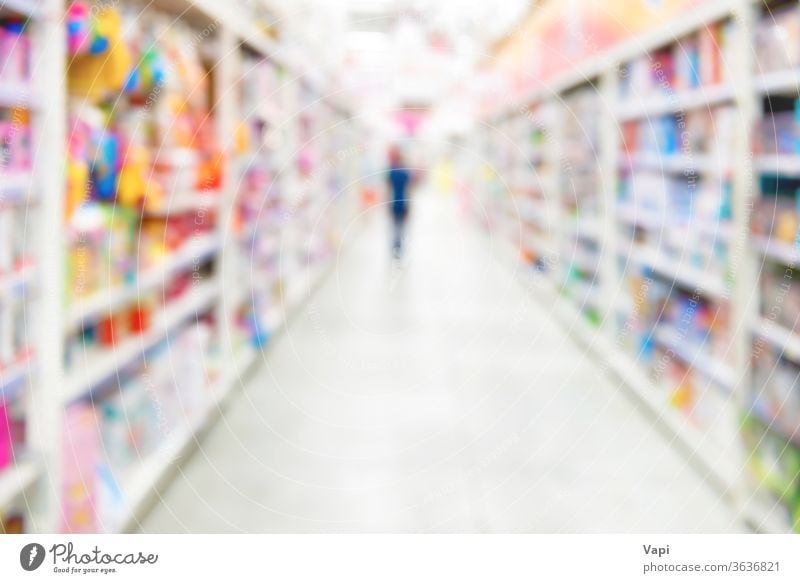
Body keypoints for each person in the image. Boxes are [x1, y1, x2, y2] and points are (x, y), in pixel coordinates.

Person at [387, 146, 411, 259]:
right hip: (403, 203)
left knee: (394, 225)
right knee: (401, 226)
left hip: (393, 202)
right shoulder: (406, 173)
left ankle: (395, 246)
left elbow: (388, 189)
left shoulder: (392, 172)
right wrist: (410, 206)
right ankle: (399, 247)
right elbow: (409, 190)